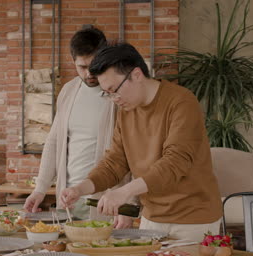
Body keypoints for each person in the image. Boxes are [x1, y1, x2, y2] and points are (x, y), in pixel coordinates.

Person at [59, 42, 223, 241]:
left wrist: (124, 192)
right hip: (151, 218)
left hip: (194, 221)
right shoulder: (126, 112)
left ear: (136, 75)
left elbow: (176, 161)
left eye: (114, 90)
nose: (114, 98)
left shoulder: (181, 102)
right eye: (107, 94)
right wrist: (80, 188)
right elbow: (114, 163)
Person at [23, 27, 134, 228]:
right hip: (69, 199)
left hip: (107, 201)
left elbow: (135, 150)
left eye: (93, 65)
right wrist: (40, 189)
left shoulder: (119, 93)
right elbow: (54, 143)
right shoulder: (68, 91)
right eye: (81, 67)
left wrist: (128, 203)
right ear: (73, 60)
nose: (89, 73)